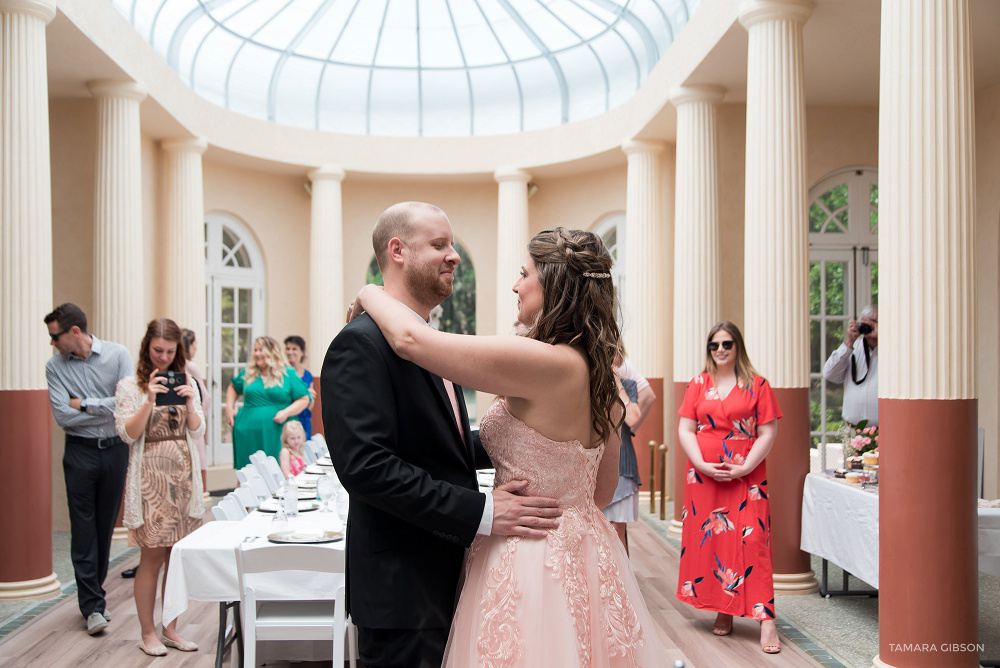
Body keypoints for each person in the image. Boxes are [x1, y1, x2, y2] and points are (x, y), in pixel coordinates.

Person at [340, 208, 665, 666]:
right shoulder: (604, 377)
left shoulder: (538, 360)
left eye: (523, 274)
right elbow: (603, 490)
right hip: (585, 551)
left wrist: (369, 290)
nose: (515, 286)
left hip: (527, 556)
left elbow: (411, 341)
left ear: (552, 284)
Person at [322, 202, 569, 668]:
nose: (454, 256)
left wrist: (532, 450)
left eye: (452, 245)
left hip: (449, 573)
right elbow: (367, 468)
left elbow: (443, 440)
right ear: (397, 251)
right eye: (439, 245)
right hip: (404, 592)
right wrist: (485, 510)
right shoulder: (361, 343)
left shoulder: (430, 340)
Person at [676, 321, 782, 654]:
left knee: (754, 542)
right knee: (716, 541)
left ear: (738, 347)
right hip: (704, 476)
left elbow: (768, 432)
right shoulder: (698, 383)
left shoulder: (757, 384)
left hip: (746, 476)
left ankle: (767, 620)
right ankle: (725, 607)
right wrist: (701, 464)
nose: (720, 350)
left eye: (726, 344)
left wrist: (747, 466)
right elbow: (685, 429)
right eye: (714, 345)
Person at [114, 319, 205, 656]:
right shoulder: (129, 386)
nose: (164, 357)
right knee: (151, 556)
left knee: (175, 557)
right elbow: (128, 433)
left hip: (182, 478)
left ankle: (171, 628)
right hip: (149, 478)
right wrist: (149, 400)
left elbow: (196, 430)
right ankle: (147, 631)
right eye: (157, 351)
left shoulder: (187, 383)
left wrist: (190, 403)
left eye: (170, 351)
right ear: (146, 348)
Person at [44, 303, 133, 636]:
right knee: (83, 530)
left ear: (75, 332)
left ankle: (95, 596)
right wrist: (105, 407)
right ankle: (92, 606)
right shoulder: (55, 368)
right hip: (79, 453)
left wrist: (83, 402)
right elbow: (63, 417)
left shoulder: (118, 355)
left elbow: (127, 404)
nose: (52, 343)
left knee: (104, 528)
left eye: (55, 336)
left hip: (114, 452)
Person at [225, 336, 310, 469]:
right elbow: (233, 387)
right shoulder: (249, 373)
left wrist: (286, 412)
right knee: (248, 473)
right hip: (248, 433)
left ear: (272, 352)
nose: (257, 353)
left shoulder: (287, 373)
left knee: (278, 470)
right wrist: (229, 408)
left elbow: (304, 398)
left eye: (261, 350)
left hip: (277, 432)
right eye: (255, 350)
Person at [602, 348, 655, 552]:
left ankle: (620, 582)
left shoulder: (628, 386)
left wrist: (617, 385)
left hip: (622, 464)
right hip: (592, 464)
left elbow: (632, 418)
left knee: (617, 528)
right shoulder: (588, 384)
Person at [822, 304, 879, 427]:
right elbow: (829, 374)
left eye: (874, 321)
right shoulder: (852, 348)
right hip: (853, 429)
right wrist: (849, 342)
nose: (868, 326)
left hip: (884, 430)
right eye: (864, 322)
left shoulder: (893, 351)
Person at [181, 328, 210, 490]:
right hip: (194, 419)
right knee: (197, 463)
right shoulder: (191, 367)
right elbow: (204, 397)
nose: (197, 346)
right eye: (195, 343)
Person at [283, 335, 316, 438]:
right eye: (288, 349)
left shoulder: (308, 375)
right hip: (286, 418)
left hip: (303, 420)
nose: (290, 352)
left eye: (294, 349)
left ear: (302, 352)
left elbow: (310, 406)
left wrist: (310, 397)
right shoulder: (282, 373)